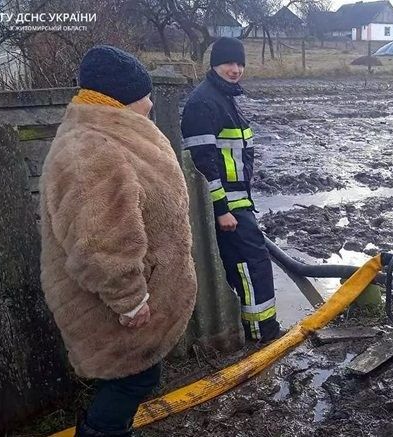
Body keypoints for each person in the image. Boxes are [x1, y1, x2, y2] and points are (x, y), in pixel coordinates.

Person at [39, 45, 197, 436]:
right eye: (144, 96)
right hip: (115, 308)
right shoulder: (91, 149)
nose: (149, 104)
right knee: (132, 381)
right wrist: (131, 300)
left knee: (135, 380)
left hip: (130, 300)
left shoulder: (108, 133)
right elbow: (97, 242)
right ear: (124, 97)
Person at [181, 37, 280, 343]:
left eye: (239, 63)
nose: (235, 69)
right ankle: (261, 333)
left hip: (239, 203)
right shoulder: (204, 102)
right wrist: (222, 209)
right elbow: (203, 164)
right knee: (252, 265)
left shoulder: (224, 98)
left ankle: (261, 329)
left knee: (251, 264)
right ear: (214, 65)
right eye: (228, 63)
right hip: (228, 207)